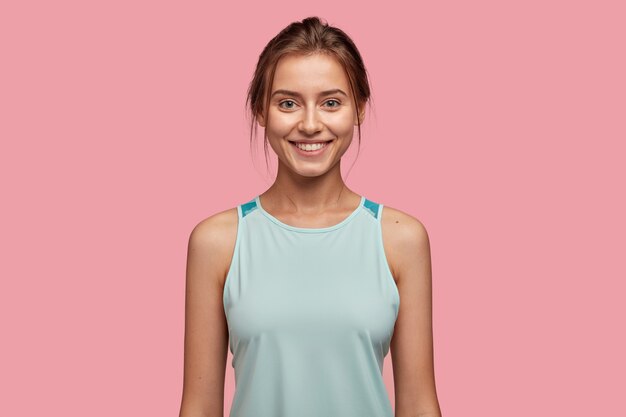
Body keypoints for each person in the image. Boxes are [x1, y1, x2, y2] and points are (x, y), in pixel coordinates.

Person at [178, 16, 442, 417]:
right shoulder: (217, 241)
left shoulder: (400, 238)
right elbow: (199, 406)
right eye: (288, 103)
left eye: (331, 102)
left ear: (359, 110)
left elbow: (420, 403)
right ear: (260, 111)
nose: (310, 124)